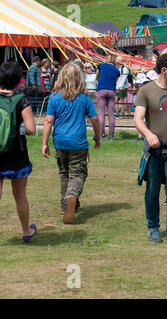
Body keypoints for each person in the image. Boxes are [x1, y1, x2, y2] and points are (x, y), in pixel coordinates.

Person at [134, 54, 167, 246]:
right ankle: (153, 227)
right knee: (152, 191)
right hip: (154, 152)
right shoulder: (145, 91)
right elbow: (138, 119)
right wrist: (148, 135)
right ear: (164, 70)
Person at [42, 63, 101, 224]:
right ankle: (72, 196)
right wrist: (97, 137)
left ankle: (64, 206)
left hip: (60, 142)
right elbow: (95, 118)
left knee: (63, 173)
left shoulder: (54, 96)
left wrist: (44, 143)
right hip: (78, 143)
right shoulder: (84, 96)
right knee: (78, 173)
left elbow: (48, 121)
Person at [0, 62, 37, 243]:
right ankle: (26, 230)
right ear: (16, 79)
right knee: (20, 195)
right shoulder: (21, 100)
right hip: (16, 152)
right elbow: (31, 129)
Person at [96, 54, 120, 140]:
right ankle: (111, 137)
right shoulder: (117, 70)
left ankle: (100, 135)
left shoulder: (101, 66)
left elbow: (97, 77)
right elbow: (115, 81)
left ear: (106, 59)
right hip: (111, 91)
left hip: (101, 89)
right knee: (111, 114)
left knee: (101, 113)